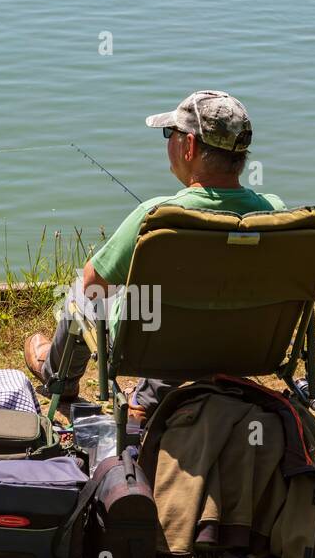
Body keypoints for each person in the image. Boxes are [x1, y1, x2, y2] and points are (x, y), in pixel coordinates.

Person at [23, 89, 285, 415]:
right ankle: (147, 397)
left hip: (162, 348)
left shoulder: (157, 215)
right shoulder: (276, 214)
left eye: (170, 133)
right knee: (186, 312)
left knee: (82, 291)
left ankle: (56, 375)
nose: (168, 142)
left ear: (189, 146)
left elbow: (95, 284)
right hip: (249, 346)